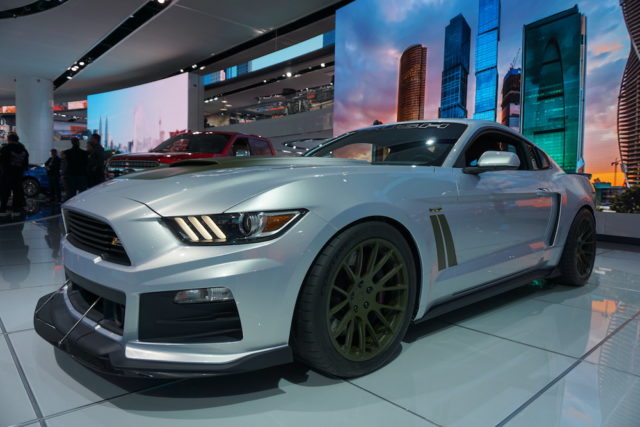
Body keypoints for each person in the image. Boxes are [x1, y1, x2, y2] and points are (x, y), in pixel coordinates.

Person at [0, 132, 29, 216]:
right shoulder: (23, 149)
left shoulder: (5, 148)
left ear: (9, 139)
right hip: (18, 174)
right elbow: (26, 163)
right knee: (17, 192)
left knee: (5, 192)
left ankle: (3, 209)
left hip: (6, 174)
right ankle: (16, 209)